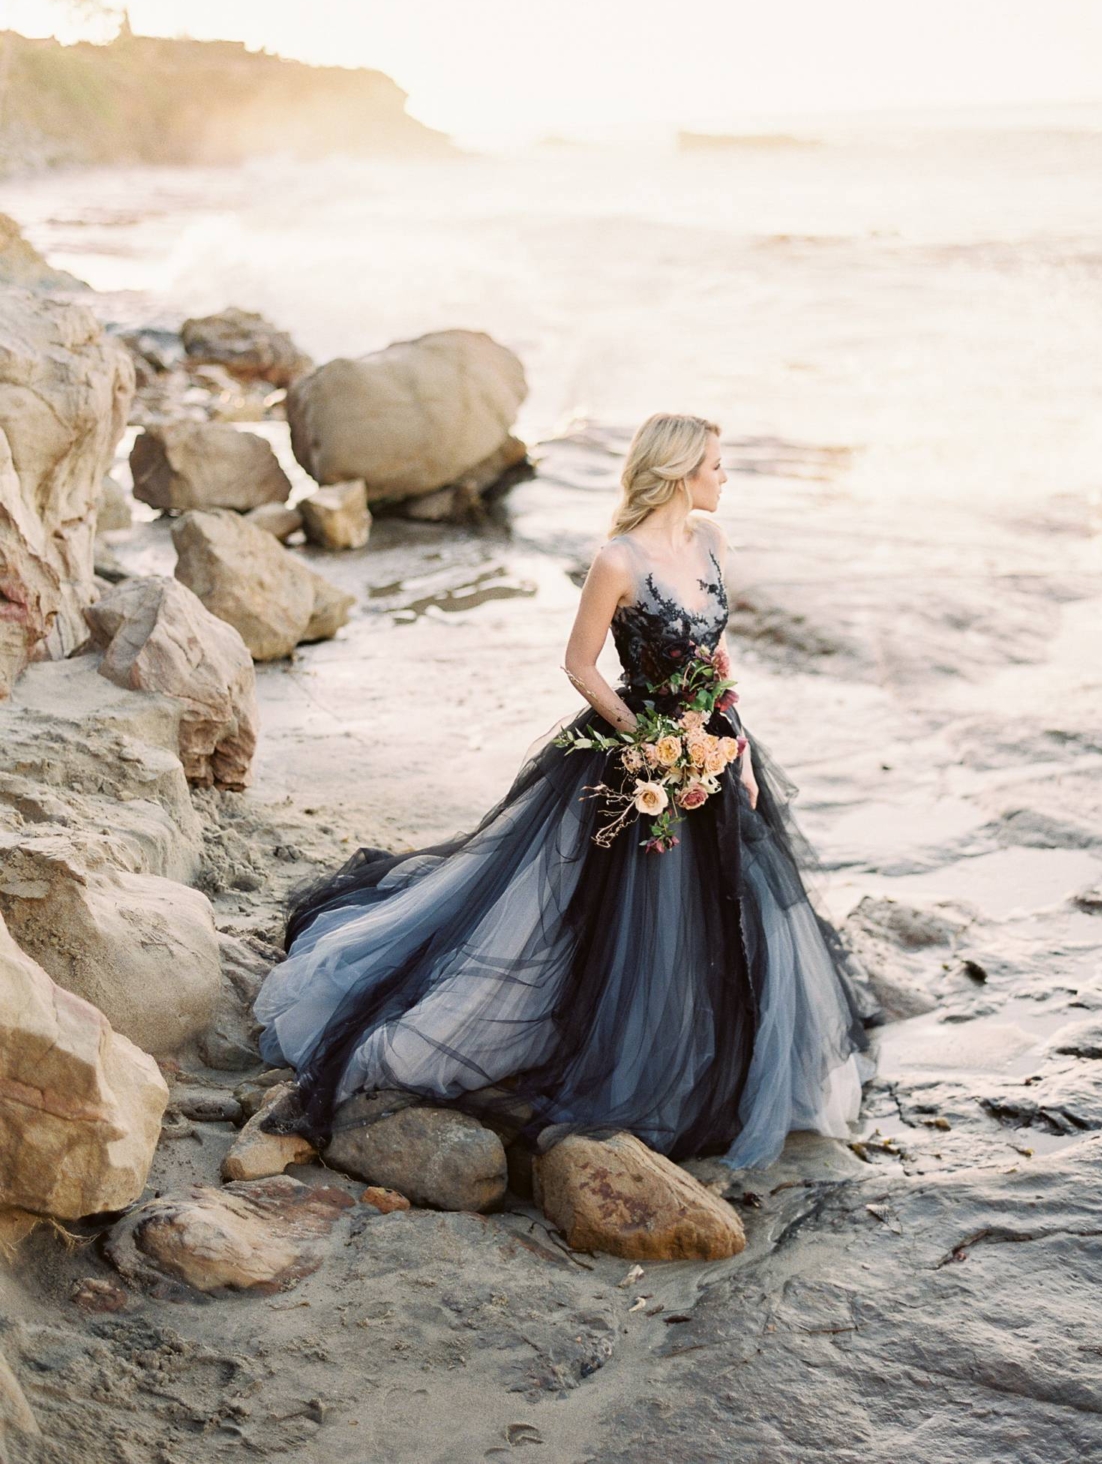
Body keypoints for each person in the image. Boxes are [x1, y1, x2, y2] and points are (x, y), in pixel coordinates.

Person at [253, 412, 873, 1170]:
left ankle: (722, 1063)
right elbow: (580, 664)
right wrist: (645, 739)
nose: (724, 474)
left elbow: (716, 646)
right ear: (679, 471)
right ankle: (628, 1061)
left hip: (712, 746)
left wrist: (734, 738)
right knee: (635, 926)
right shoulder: (618, 561)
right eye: (716, 462)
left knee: (726, 916)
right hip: (641, 758)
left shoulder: (710, 543)